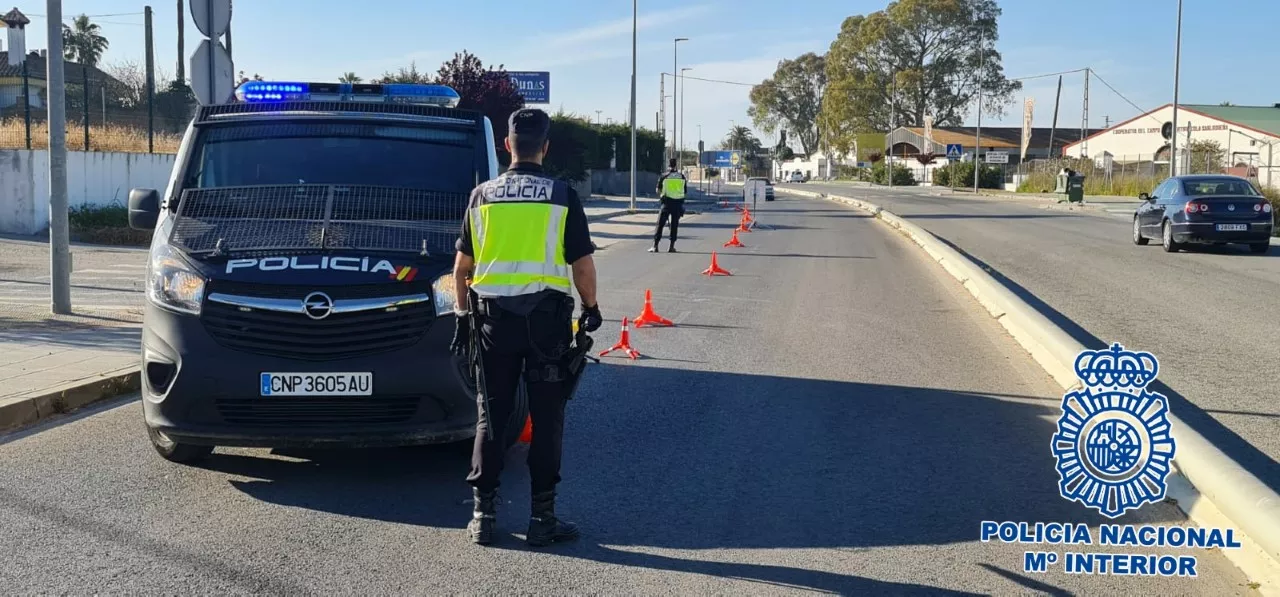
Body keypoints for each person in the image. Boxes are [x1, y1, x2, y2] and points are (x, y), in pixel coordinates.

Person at [450, 108, 603, 547]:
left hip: (493, 323)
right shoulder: (561, 195)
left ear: (507, 145)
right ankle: (542, 518)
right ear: (546, 147)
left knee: (491, 415)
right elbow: (582, 264)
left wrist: (462, 316)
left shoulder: (482, 196)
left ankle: (483, 516)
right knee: (547, 417)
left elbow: (462, 268)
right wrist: (590, 308)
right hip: (547, 326)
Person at [651, 158, 688, 253]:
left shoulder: (664, 176)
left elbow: (657, 190)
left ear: (669, 165)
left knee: (660, 224)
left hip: (666, 203)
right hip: (678, 204)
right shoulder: (682, 177)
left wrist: (662, 193)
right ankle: (671, 247)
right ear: (676, 166)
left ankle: (655, 246)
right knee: (674, 225)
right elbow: (685, 192)